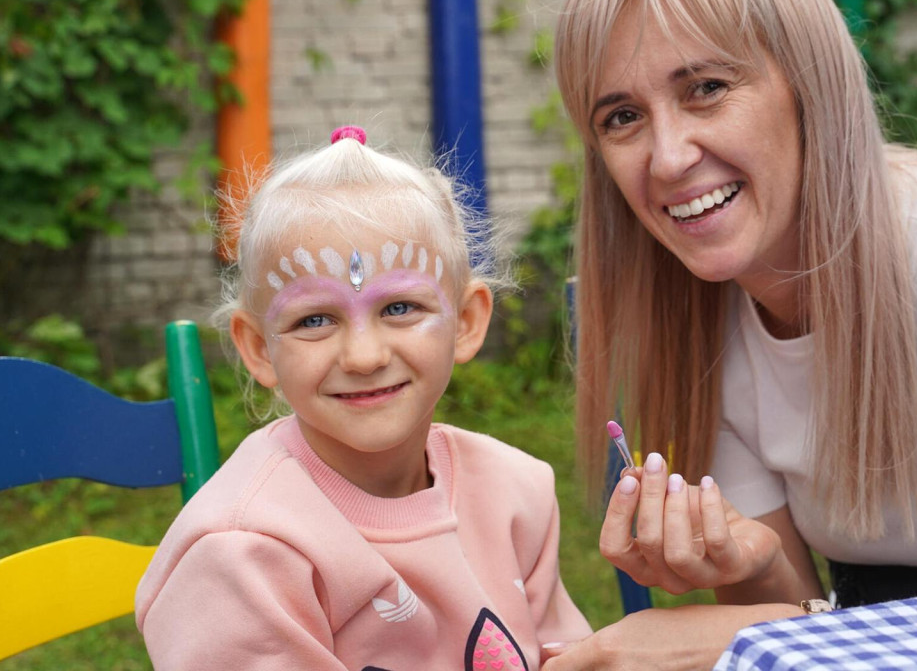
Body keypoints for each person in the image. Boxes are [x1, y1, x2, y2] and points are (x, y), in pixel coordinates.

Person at [542, 0, 917, 670]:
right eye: (624, 116)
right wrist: (759, 568)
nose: (667, 158)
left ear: (807, 84)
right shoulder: (702, 316)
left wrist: (759, 637)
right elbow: (808, 620)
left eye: (705, 88)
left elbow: (810, 640)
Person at [135, 126, 591, 669]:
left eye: (399, 308)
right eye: (315, 319)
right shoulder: (242, 554)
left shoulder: (516, 491)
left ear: (466, 323)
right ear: (258, 349)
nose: (364, 356)